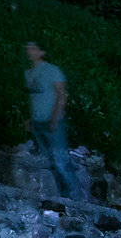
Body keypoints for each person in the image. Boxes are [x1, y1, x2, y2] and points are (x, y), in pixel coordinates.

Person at [24, 40, 83, 199]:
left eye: (33, 48)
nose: (29, 51)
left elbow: (61, 94)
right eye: (28, 49)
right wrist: (31, 119)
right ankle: (64, 199)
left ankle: (78, 201)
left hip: (53, 122)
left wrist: (55, 118)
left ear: (42, 52)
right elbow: (34, 99)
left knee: (60, 161)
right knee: (49, 163)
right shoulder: (28, 73)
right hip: (38, 123)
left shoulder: (53, 70)